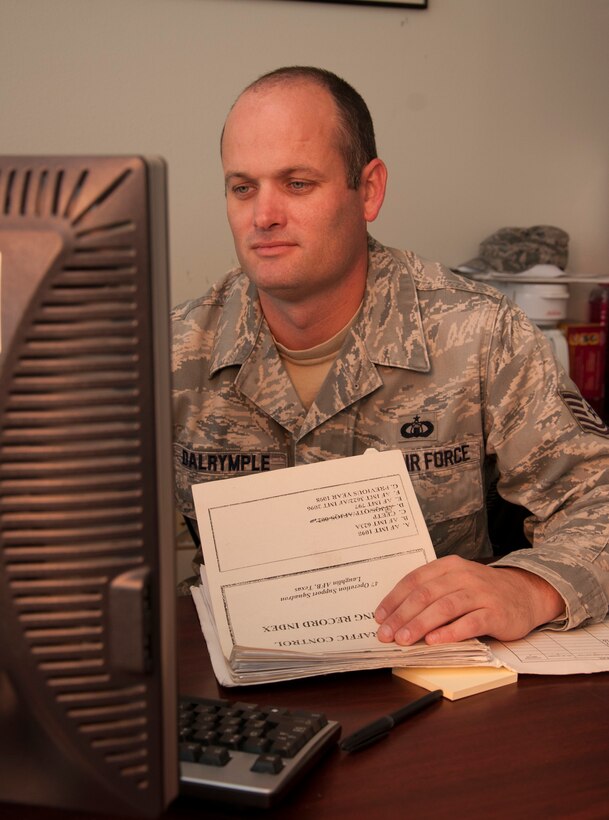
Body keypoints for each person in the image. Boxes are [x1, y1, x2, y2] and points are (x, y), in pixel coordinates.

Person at [172, 66, 609, 646]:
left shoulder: (478, 332)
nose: (264, 216)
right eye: (243, 188)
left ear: (370, 190)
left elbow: (596, 498)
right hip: (235, 673)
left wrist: (529, 588)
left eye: (297, 183)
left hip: (427, 667)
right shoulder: (171, 354)